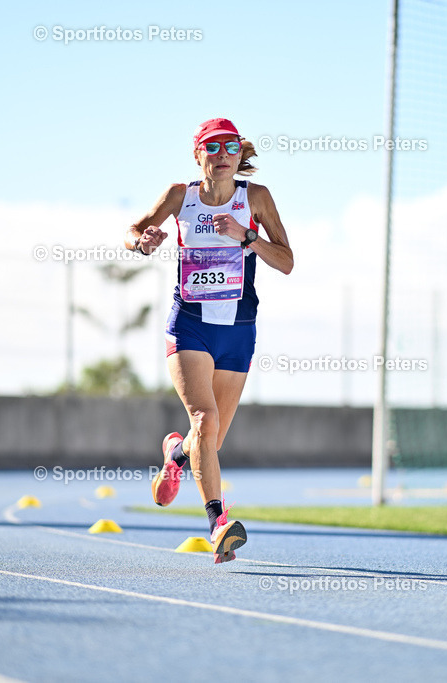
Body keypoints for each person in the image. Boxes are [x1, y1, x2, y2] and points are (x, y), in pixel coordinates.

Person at [125, 118, 293, 563]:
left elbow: (287, 261)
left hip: (238, 327)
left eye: (230, 147)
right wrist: (144, 243)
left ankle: (176, 454)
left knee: (210, 442)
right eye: (212, 147)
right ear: (198, 155)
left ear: (240, 155)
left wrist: (247, 237)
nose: (222, 154)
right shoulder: (180, 196)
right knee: (205, 418)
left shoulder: (254, 199)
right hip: (191, 324)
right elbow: (132, 232)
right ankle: (217, 524)